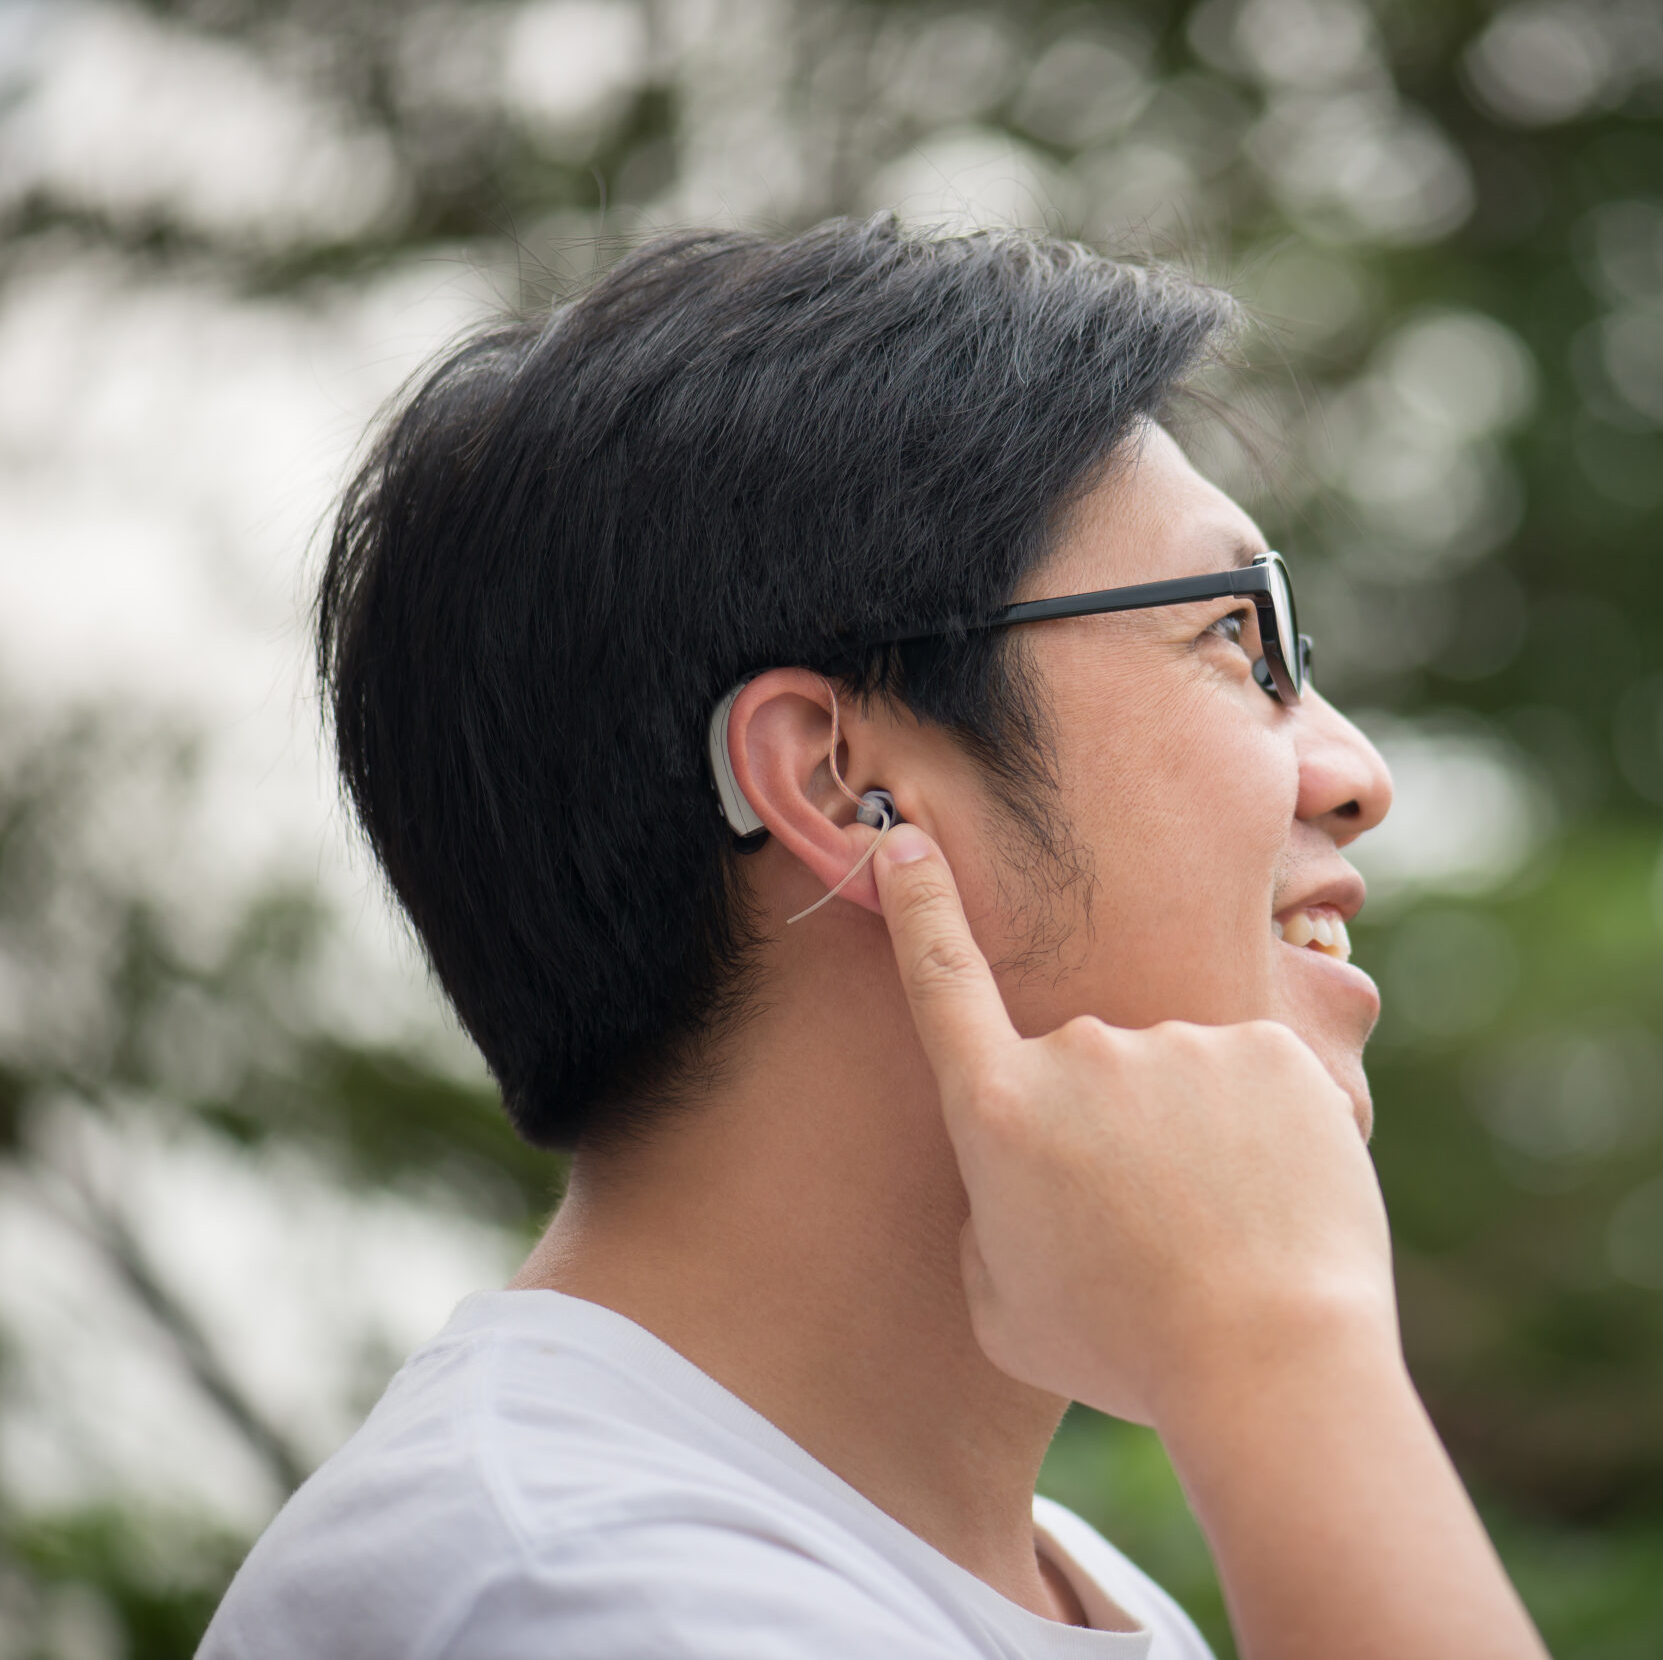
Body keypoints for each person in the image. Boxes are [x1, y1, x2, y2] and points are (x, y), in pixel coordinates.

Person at [198, 218, 1550, 1659]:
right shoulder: (576, 1589)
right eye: (1238, 637)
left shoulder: (1027, 1579)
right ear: (843, 781)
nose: (1354, 773)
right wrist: (1281, 1348)